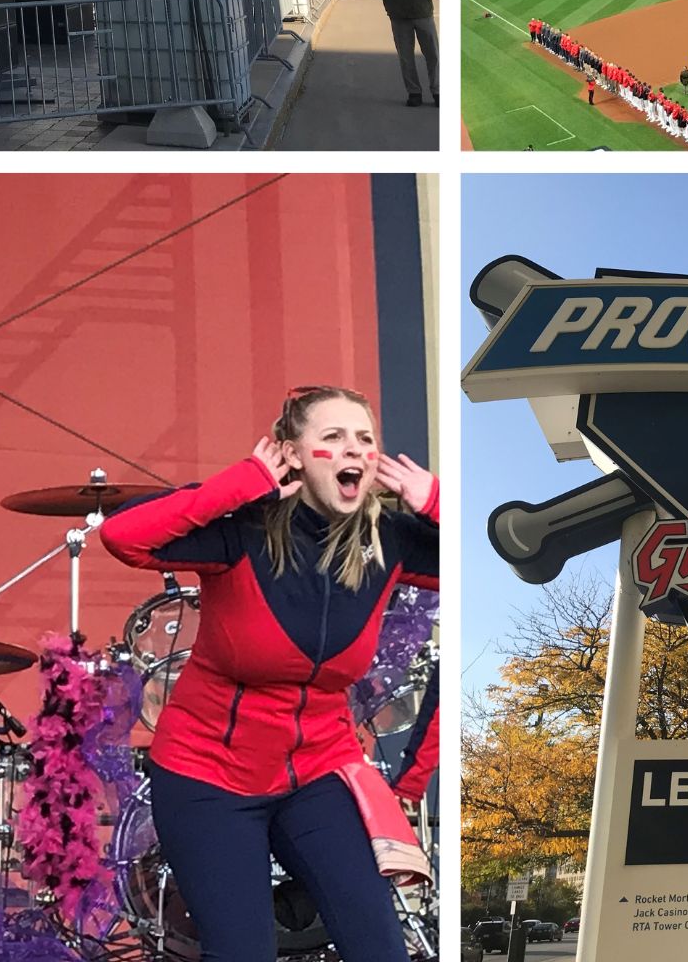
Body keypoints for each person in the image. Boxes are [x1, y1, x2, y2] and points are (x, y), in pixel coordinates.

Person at [100, 387, 438, 962]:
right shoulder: (243, 528)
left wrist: (434, 502)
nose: (353, 449)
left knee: (381, 947)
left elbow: (496, 550)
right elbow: (121, 536)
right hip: (208, 776)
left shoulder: (392, 541)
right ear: (293, 455)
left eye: (364, 438)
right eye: (332, 437)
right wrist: (242, 482)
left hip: (318, 771)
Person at [365, 0, 439, 107]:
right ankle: (414, 92)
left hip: (422, 13)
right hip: (399, 16)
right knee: (406, 57)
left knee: (433, 55)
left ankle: (437, 91)